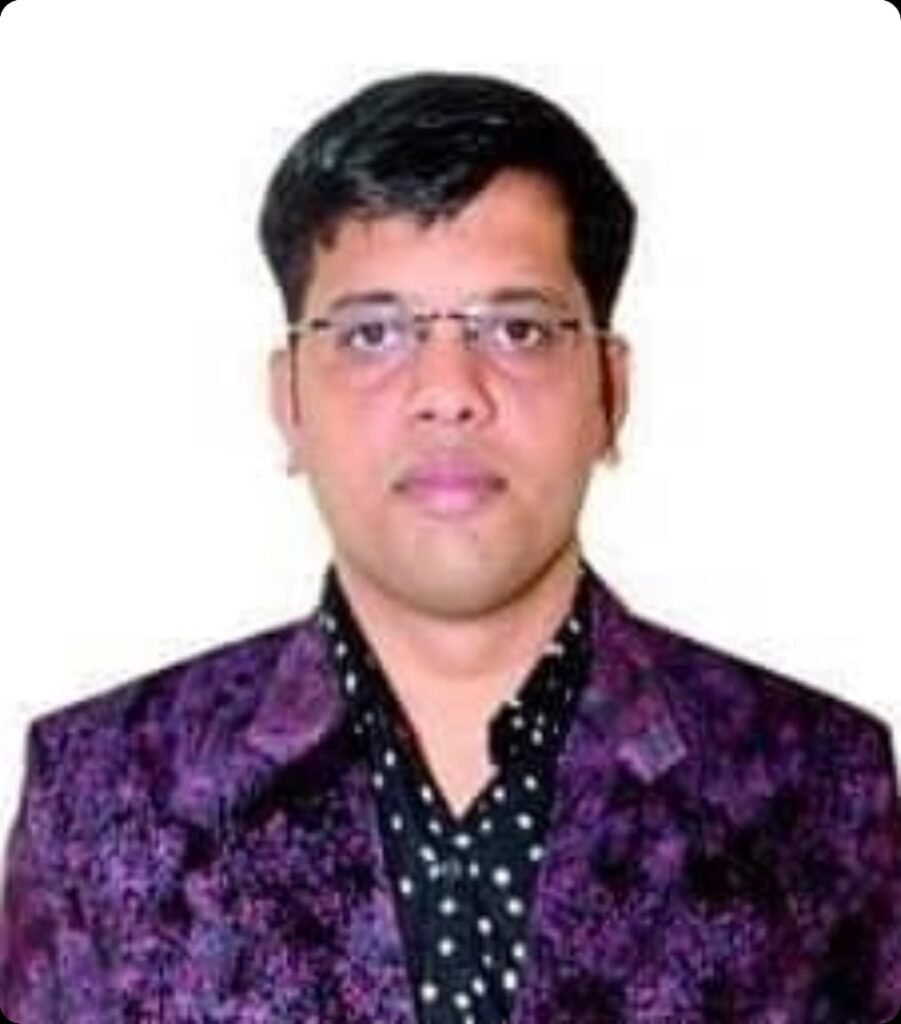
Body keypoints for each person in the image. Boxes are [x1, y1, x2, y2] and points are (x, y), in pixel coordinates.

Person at [1, 70, 899, 1024]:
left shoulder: (816, 788)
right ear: (289, 401)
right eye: (371, 334)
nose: (447, 392)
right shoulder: (103, 793)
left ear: (608, 392)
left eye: (516, 329)